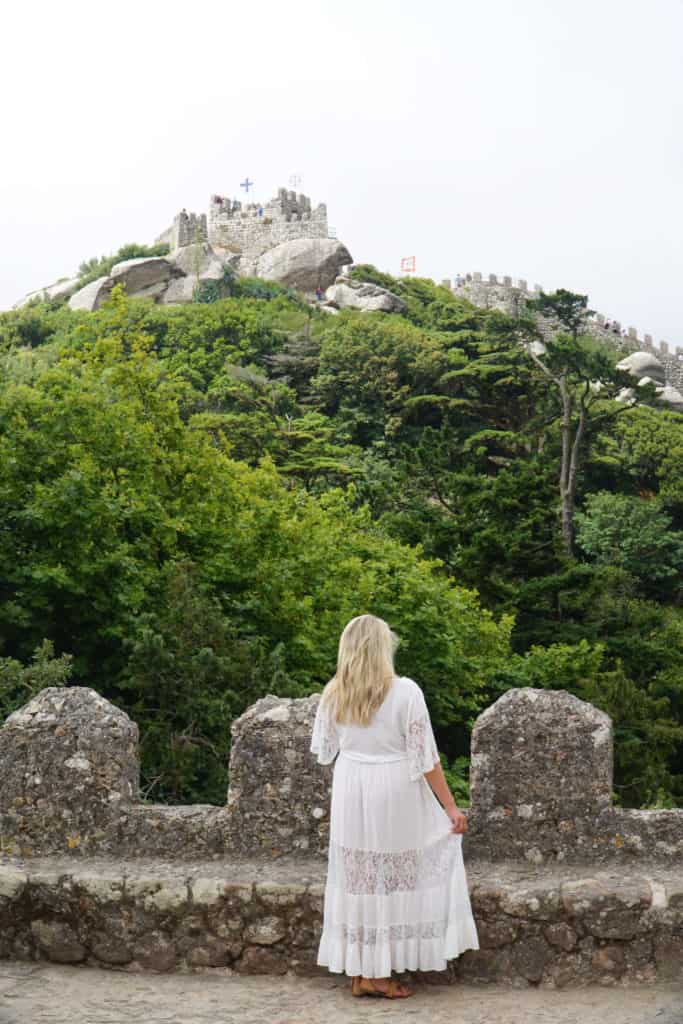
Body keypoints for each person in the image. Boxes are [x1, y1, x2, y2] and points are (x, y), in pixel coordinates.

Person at [310, 614, 479, 999]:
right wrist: (451, 809)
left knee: (362, 878)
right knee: (389, 877)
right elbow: (426, 758)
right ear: (382, 648)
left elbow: (325, 752)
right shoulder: (405, 692)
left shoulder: (334, 692)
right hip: (393, 788)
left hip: (351, 786)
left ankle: (362, 969)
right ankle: (377, 974)